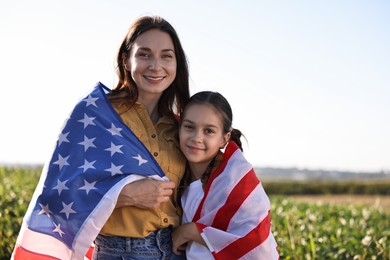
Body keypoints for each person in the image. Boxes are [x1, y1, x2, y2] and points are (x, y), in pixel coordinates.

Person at [12, 15, 189, 260]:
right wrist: (125, 195)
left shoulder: (181, 126)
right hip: (120, 253)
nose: (156, 65)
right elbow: (58, 195)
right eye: (144, 54)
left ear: (177, 63)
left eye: (166, 56)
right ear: (126, 60)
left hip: (176, 252)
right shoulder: (95, 113)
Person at [172, 91, 279, 259]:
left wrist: (191, 231)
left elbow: (257, 247)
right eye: (189, 127)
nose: (196, 138)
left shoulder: (236, 181)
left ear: (224, 138)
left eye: (208, 131)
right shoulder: (175, 175)